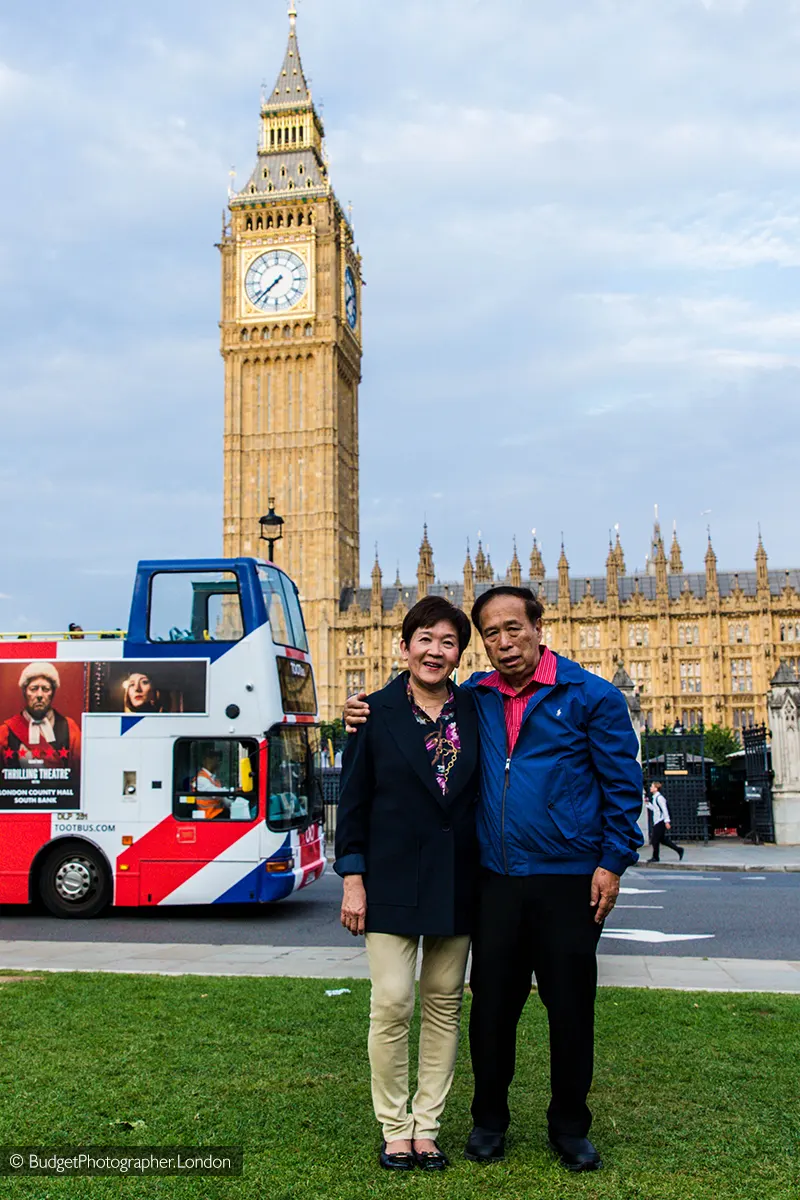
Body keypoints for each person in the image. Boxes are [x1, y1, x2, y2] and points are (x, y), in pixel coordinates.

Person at [345, 585, 643, 1172]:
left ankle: (569, 1126)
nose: (504, 642)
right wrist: (360, 709)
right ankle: (488, 1121)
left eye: (513, 628)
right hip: (494, 879)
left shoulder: (591, 695)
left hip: (567, 876)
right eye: (491, 633)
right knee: (491, 1010)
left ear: (538, 626)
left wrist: (613, 861)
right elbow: (392, 736)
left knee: (569, 1007)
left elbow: (622, 785)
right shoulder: (474, 697)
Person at [336, 596, 480, 1172]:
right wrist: (352, 878)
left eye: (448, 642)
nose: (435, 651)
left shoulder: (476, 711)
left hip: (456, 881)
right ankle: (394, 1125)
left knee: (444, 1005)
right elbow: (352, 805)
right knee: (393, 1001)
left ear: (460, 655)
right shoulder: (371, 714)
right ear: (404, 645)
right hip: (390, 879)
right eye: (425, 639)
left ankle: (428, 1125)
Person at [0, 662, 82, 767]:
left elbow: (79, 773)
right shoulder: (5, 732)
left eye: (45, 689)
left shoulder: (70, 728)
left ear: (53, 693)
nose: (39, 695)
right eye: (33, 689)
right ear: (25, 692)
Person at [645, 781, 684, 862]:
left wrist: (667, 821)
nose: (650, 788)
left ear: (656, 788)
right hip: (658, 820)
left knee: (654, 840)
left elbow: (664, 809)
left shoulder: (660, 798)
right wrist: (648, 804)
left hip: (660, 821)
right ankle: (679, 850)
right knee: (662, 839)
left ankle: (655, 857)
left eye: (652, 787)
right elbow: (656, 809)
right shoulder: (655, 797)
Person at [192, 745, 230, 819]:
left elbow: (223, 799)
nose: (218, 761)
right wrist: (232, 791)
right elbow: (216, 793)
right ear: (205, 760)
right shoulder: (201, 779)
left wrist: (234, 804)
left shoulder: (214, 779)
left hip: (217, 813)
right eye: (213, 758)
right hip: (208, 816)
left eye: (218, 759)